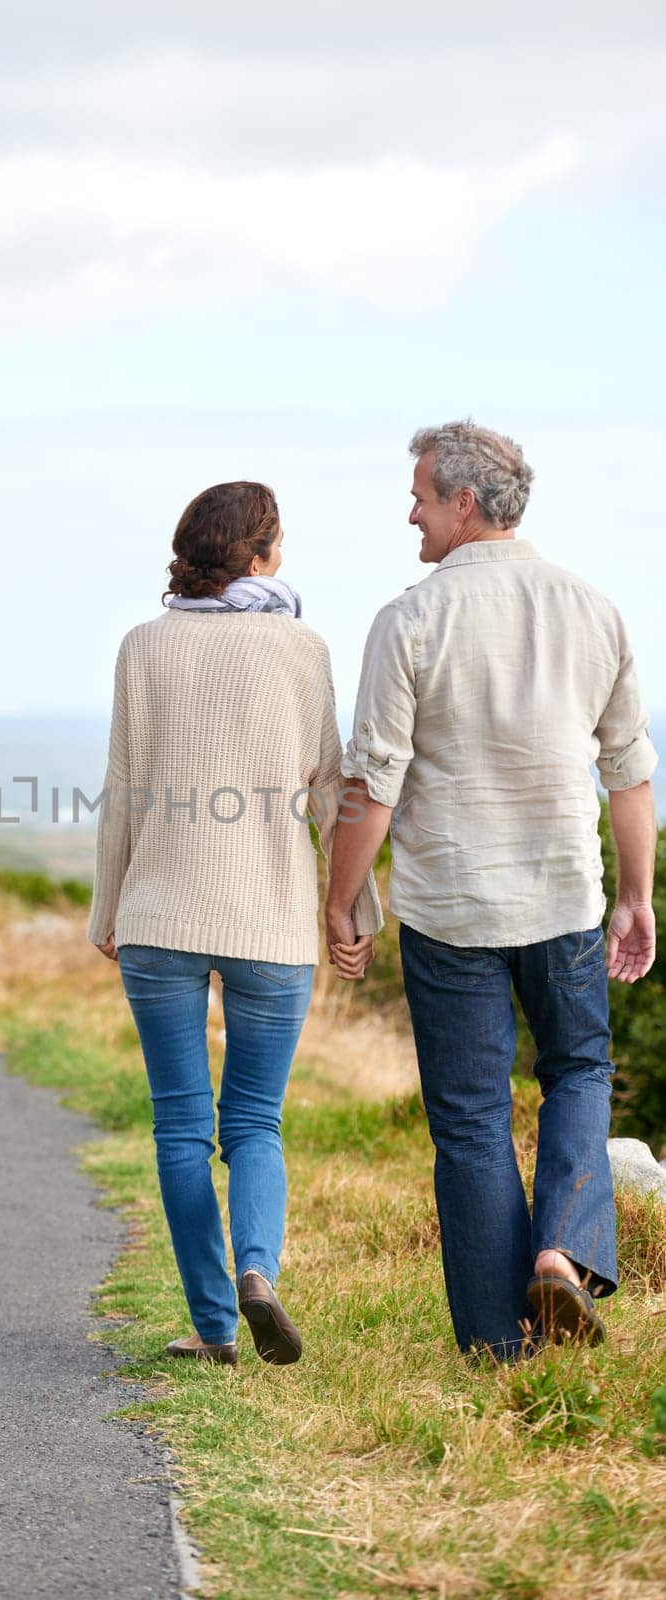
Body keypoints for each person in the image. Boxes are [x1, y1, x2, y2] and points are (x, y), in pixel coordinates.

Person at [326, 420, 658, 1361]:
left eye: (423, 496)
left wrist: (342, 898)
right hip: (566, 900)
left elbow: (372, 782)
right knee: (579, 1073)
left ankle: (495, 1344)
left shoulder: (409, 620)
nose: (412, 513)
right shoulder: (594, 610)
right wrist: (638, 894)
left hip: (451, 910)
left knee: (470, 1120)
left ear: (465, 503)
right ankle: (564, 1252)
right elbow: (629, 773)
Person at [86, 481, 383, 1366]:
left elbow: (122, 796)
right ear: (258, 557)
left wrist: (110, 908)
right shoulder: (301, 648)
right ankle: (260, 1271)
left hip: (160, 917)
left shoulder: (144, 645)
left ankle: (215, 1327)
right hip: (274, 922)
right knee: (254, 1121)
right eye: (278, 542)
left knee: (180, 1126)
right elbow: (334, 792)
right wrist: (353, 909)